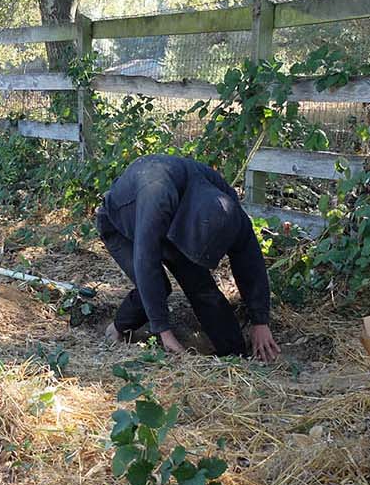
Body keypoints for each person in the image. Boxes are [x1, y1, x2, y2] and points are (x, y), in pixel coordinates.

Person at [95, 154, 281, 361]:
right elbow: (146, 263)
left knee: (202, 287)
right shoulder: (156, 195)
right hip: (120, 223)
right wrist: (164, 332)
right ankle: (118, 329)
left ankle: (235, 355)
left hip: (173, 214)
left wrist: (260, 320)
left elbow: (249, 259)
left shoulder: (226, 202)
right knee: (157, 287)